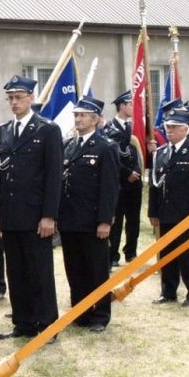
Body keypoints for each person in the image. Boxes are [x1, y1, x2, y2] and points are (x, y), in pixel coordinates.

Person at [0, 75, 62, 339]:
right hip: (10, 214)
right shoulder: (3, 131)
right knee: (16, 272)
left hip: (35, 215)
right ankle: (23, 323)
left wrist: (49, 216)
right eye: (10, 98)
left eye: (19, 97)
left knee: (39, 272)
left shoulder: (47, 130)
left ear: (31, 98)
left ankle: (47, 325)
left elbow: (54, 177)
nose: (14, 102)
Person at [58, 97, 119, 332]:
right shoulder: (68, 146)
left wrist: (105, 220)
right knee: (74, 268)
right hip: (70, 219)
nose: (78, 119)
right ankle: (80, 311)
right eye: (76, 115)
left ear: (95, 119)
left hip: (93, 221)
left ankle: (100, 315)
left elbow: (109, 187)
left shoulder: (106, 148)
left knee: (97, 270)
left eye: (83, 115)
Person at [148, 108, 189, 306]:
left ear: (185, 129)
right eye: (168, 127)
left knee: (188, 255)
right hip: (165, 213)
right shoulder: (160, 153)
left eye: (175, 127)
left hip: (188, 213)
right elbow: (153, 185)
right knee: (166, 254)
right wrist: (153, 211)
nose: (170, 131)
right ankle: (168, 291)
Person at [103, 91, 142, 266]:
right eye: (131, 104)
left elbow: (137, 154)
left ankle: (131, 252)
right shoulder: (109, 129)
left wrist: (136, 172)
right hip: (119, 182)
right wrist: (127, 173)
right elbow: (112, 158)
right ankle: (112, 255)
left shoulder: (135, 127)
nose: (134, 108)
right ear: (122, 106)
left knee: (133, 219)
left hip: (135, 181)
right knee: (116, 221)